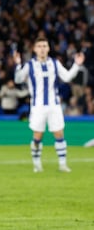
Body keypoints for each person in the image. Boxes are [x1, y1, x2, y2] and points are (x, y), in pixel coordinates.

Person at [14, 36, 85, 173]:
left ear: (48, 48)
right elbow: (18, 79)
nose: (42, 49)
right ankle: (37, 164)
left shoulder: (54, 63)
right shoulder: (29, 65)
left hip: (54, 105)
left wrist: (76, 64)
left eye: (44, 46)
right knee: (37, 136)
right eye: (39, 46)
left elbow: (67, 77)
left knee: (59, 133)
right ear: (34, 49)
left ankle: (63, 164)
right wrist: (18, 64)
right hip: (38, 106)